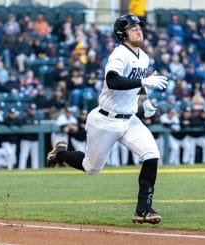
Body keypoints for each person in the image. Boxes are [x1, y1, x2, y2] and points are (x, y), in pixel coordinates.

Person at [46, 14, 168, 224]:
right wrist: (144, 80)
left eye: (139, 27)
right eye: (133, 28)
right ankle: (61, 154)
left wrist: (145, 100)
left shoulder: (144, 57)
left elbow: (136, 85)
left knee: (151, 154)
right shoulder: (119, 54)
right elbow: (113, 81)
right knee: (92, 168)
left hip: (129, 119)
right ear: (122, 34)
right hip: (105, 119)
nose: (139, 30)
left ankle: (143, 210)